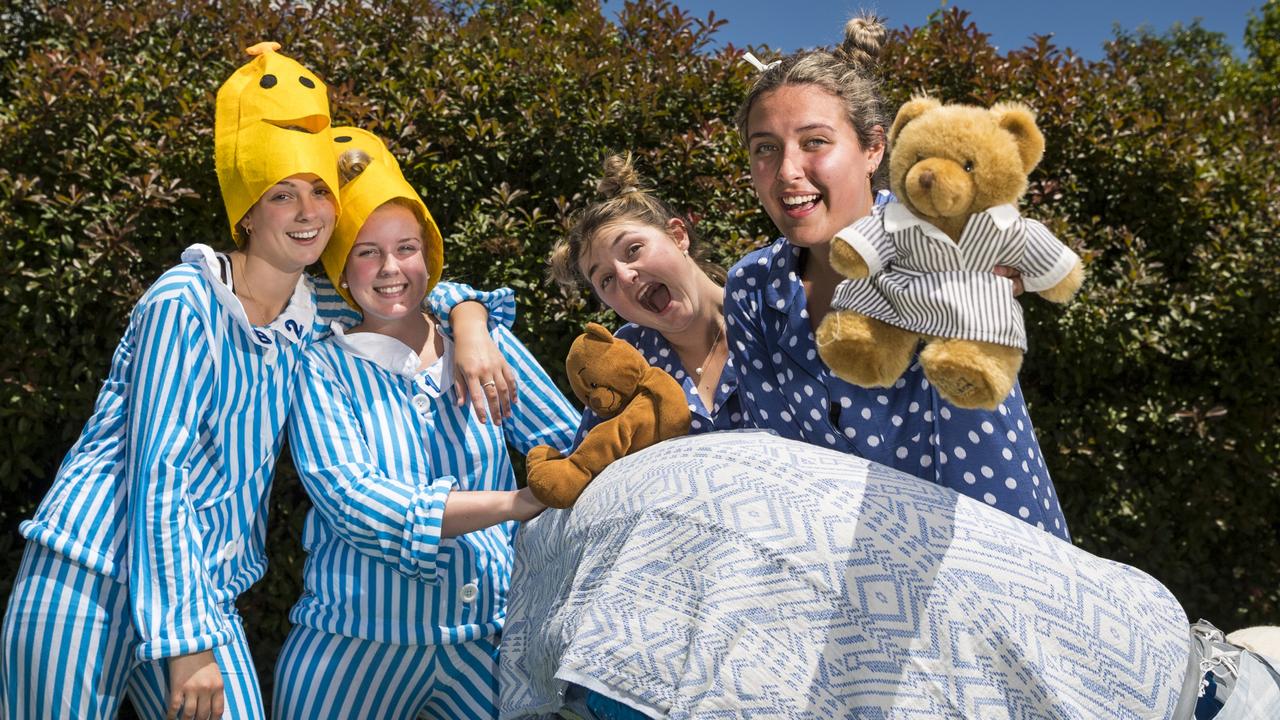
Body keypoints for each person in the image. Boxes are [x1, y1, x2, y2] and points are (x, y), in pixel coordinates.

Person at [0, 42, 340, 719]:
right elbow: (160, 472)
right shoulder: (184, 301)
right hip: (87, 575)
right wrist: (186, 644)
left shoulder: (315, 315)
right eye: (282, 195)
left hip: (197, 586)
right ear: (247, 209)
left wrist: (471, 317)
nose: (306, 213)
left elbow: (399, 288)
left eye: (320, 192)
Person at [272, 127, 580, 720]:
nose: (391, 268)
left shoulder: (487, 345)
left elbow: (572, 447)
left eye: (407, 248)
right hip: (351, 647)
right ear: (341, 266)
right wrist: (515, 503)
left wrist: (470, 322)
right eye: (367, 251)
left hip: (483, 647)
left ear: (429, 255)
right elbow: (354, 502)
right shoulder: (318, 365)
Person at [724, 14, 1070, 539]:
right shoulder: (750, 288)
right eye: (765, 148)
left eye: (815, 141)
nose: (788, 170)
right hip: (841, 577)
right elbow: (777, 463)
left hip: (997, 552)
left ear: (873, 149)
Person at [548, 152, 745, 446]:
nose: (625, 277)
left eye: (633, 249)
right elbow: (583, 473)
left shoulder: (768, 311)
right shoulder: (620, 361)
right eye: (606, 279)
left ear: (678, 236)